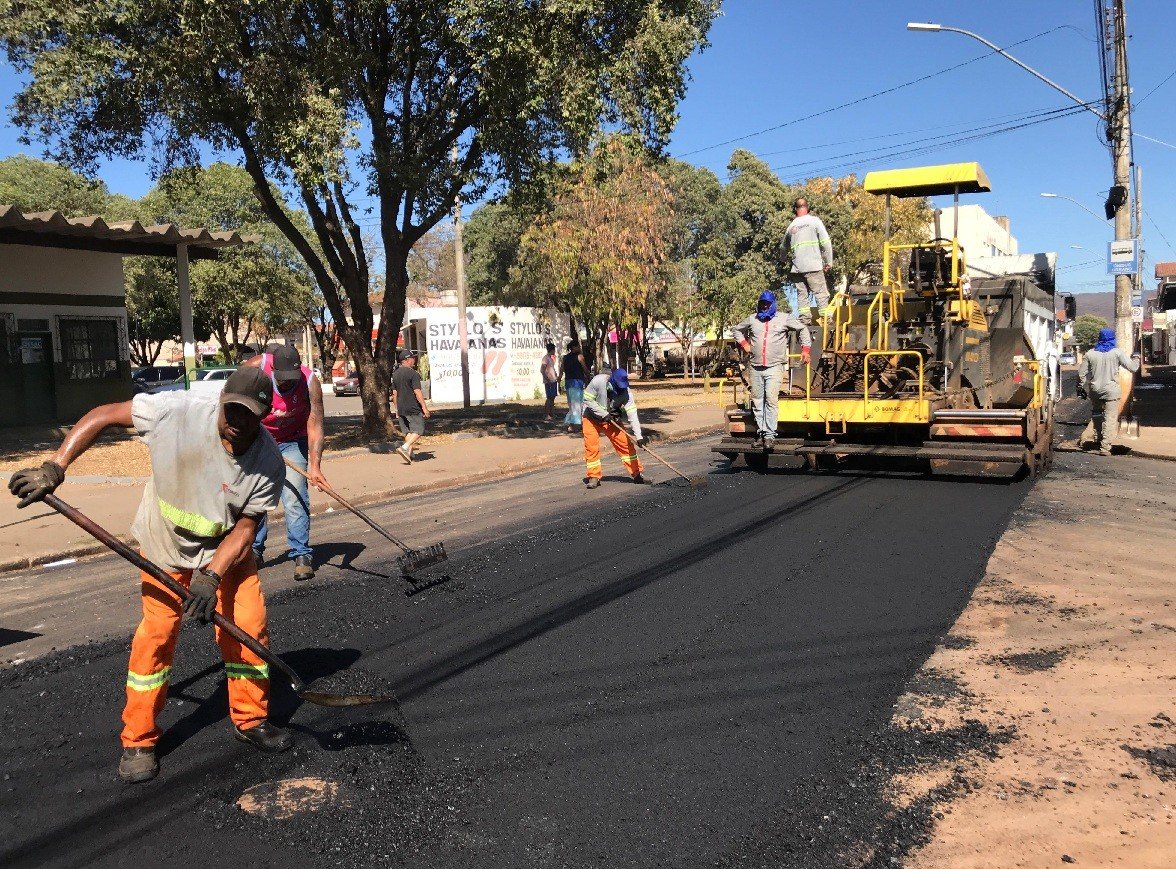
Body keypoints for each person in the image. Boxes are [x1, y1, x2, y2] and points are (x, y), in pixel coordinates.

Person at [7, 368, 291, 784]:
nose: (236, 420)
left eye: (248, 414)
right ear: (221, 400)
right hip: (164, 548)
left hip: (226, 554)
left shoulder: (267, 461)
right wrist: (56, 465)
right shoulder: (174, 412)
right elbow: (103, 414)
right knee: (156, 637)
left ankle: (250, 720)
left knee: (248, 627)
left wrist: (211, 576)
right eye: (230, 409)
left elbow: (247, 528)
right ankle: (138, 739)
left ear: (263, 415)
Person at [242, 343, 327, 581]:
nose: (286, 383)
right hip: (258, 439)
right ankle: (254, 551)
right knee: (256, 497)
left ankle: (301, 554)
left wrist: (315, 466)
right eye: (281, 379)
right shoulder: (254, 369)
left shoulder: (310, 383)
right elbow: (231, 402)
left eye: (291, 379)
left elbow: (315, 424)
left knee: (294, 496)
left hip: (292, 440)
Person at [732, 290, 812, 450]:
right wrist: (745, 344)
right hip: (755, 367)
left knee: (770, 400)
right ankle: (761, 434)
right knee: (757, 401)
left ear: (773, 304)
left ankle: (769, 436)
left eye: (767, 304)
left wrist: (805, 350)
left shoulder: (783, 318)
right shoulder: (753, 319)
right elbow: (736, 330)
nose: (764, 306)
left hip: (775, 367)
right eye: (762, 303)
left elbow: (802, 329)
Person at [1078, 328, 1139, 455]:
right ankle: (1105, 447)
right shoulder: (1117, 353)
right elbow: (1133, 368)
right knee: (1110, 418)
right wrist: (1136, 358)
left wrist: (1080, 387)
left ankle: (1098, 438)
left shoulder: (1090, 354)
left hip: (1095, 390)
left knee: (1097, 414)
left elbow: (1081, 374)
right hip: (1112, 391)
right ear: (1112, 339)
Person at [581, 367, 645, 489]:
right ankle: (594, 476)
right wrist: (603, 413)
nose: (620, 389)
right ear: (611, 380)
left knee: (626, 445)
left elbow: (632, 415)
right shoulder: (597, 381)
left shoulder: (627, 394)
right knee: (591, 447)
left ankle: (637, 474)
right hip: (591, 418)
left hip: (611, 420)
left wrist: (639, 436)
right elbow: (587, 399)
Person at [783, 196, 834, 324]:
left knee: (802, 295)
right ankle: (826, 320)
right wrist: (829, 262)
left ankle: (804, 321)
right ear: (808, 208)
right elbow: (826, 243)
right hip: (813, 266)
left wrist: (783, 259)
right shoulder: (814, 221)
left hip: (797, 269)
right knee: (821, 294)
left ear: (795, 210)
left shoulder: (791, 226)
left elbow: (783, 247)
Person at [391, 348, 431, 464]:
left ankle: (409, 454)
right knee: (419, 429)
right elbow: (417, 391)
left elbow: (394, 394)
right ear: (407, 360)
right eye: (412, 358)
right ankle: (404, 448)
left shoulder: (396, 374)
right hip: (412, 406)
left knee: (408, 432)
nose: (414, 360)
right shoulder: (413, 374)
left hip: (401, 407)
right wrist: (424, 407)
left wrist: (396, 408)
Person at [562, 340, 589, 432]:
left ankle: (571, 422)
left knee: (572, 404)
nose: (579, 348)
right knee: (577, 404)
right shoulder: (580, 357)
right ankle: (574, 425)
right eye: (578, 346)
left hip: (568, 382)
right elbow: (585, 368)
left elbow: (562, 370)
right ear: (574, 347)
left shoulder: (565, 358)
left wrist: (559, 380)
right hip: (577, 382)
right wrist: (588, 376)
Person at [540, 342, 559, 421]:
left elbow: (551, 369)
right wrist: (546, 378)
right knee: (549, 398)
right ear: (551, 350)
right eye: (554, 349)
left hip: (553, 380)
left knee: (553, 397)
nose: (555, 351)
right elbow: (542, 369)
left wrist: (555, 375)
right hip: (549, 381)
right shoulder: (545, 358)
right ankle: (547, 414)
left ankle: (552, 413)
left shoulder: (551, 358)